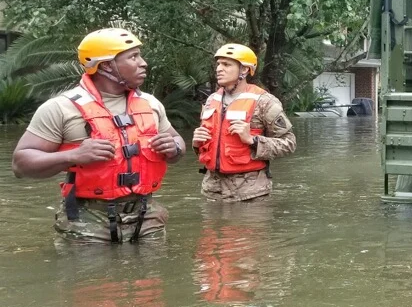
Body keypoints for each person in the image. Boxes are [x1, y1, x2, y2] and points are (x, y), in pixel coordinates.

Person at [11, 28, 186, 243]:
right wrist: (72, 156)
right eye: (133, 57)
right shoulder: (60, 108)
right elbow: (20, 165)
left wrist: (174, 147)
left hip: (147, 217)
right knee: (91, 277)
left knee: (150, 276)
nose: (143, 63)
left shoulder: (150, 104)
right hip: (87, 220)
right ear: (106, 65)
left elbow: (178, 144)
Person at [192, 43, 296, 201]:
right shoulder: (211, 100)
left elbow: (289, 143)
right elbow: (207, 147)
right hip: (212, 191)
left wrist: (252, 140)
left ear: (244, 70)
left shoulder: (264, 102)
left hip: (250, 194)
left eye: (226, 64)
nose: (219, 69)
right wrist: (196, 143)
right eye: (218, 64)